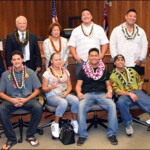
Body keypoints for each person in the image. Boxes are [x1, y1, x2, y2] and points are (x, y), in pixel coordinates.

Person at [0, 51, 42, 149]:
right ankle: (11, 139)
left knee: (38, 107)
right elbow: (0, 93)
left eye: (18, 59)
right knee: (1, 108)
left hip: (27, 99)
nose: (16, 61)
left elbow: (37, 90)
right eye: (14, 59)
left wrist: (25, 99)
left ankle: (30, 135)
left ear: (22, 59)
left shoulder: (30, 72)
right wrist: (11, 100)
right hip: (11, 100)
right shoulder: (6, 74)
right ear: (11, 61)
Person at [76, 48, 118, 146]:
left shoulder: (104, 69)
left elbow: (108, 85)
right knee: (81, 106)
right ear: (88, 57)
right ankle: (82, 135)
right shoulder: (83, 70)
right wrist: (78, 92)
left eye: (96, 55)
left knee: (112, 105)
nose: (94, 57)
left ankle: (111, 134)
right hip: (87, 94)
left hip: (102, 94)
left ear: (99, 57)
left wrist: (110, 91)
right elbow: (78, 85)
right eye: (92, 55)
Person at [110, 54, 150, 136]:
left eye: (122, 60)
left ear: (124, 62)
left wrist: (138, 93)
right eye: (118, 60)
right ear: (114, 63)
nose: (120, 61)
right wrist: (130, 94)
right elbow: (117, 91)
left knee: (144, 98)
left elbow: (140, 83)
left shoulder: (132, 71)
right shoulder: (113, 76)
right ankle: (128, 124)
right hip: (124, 95)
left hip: (137, 91)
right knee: (121, 102)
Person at [42, 53, 79, 138]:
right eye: (56, 60)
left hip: (63, 94)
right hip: (51, 96)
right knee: (63, 102)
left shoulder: (65, 71)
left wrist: (66, 93)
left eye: (59, 59)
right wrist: (51, 87)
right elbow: (43, 89)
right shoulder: (47, 73)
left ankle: (74, 121)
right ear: (51, 61)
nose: (58, 62)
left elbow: (70, 86)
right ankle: (55, 124)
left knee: (75, 100)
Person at [69, 8, 109, 77]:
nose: (86, 16)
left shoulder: (99, 28)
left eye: (88, 14)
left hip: (96, 61)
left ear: (91, 17)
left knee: (97, 84)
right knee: (80, 84)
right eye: (83, 15)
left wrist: (102, 55)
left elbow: (105, 43)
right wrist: (75, 56)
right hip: (81, 61)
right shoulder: (76, 30)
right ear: (81, 18)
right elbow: (71, 45)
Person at [110, 9, 148, 74]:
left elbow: (145, 45)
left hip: (136, 63)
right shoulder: (117, 30)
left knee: (136, 83)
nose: (132, 18)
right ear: (126, 17)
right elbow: (112, 45)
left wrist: (140, 59)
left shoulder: (141, 31)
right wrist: (116, 60)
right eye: (130, 16)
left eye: (134, 16)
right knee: (120, 83)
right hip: (120, 64)